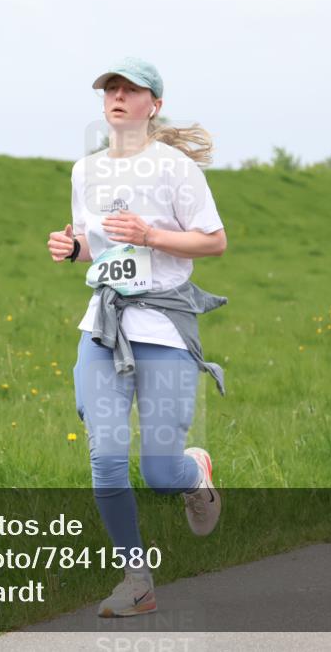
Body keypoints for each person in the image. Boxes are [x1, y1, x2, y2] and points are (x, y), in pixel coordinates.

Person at [47, 57, 228, 616]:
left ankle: (194, 474)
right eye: (111, 89)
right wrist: (72, 249)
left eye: (131, 89)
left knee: (159, 472)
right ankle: (137, 580)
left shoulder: (175, 168)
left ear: (156, 104)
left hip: (164, 328)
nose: (118, 96)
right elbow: (96, 245)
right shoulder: (86, 171)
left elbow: (214, 241)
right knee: (105, 459)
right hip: (104, 325)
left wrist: (152, 235)